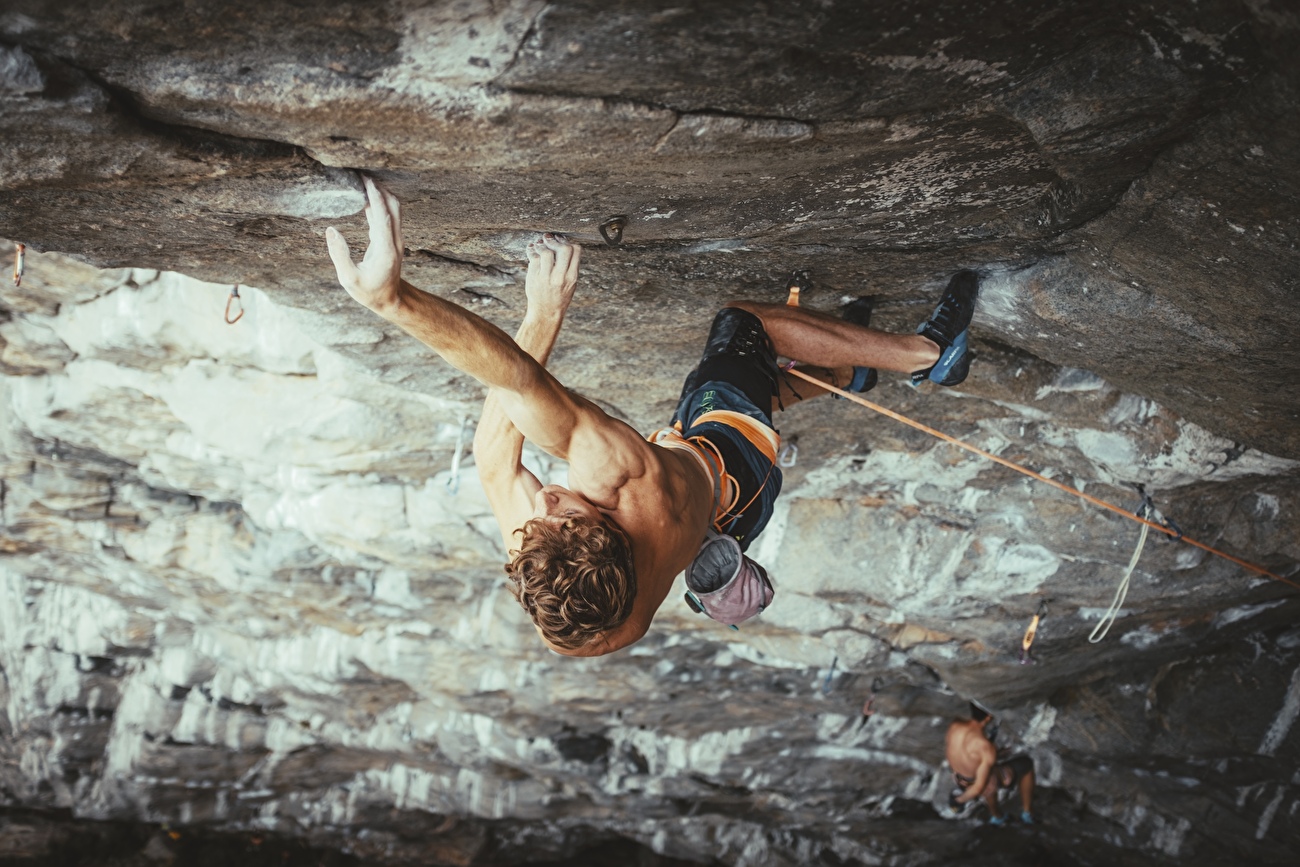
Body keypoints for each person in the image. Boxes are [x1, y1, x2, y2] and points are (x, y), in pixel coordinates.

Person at [326, 177, 979, 656]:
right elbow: (519, 381)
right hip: (733, 458)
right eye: (563, 513)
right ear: (605, 521)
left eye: (539, 519)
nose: (546, 498)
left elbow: (493, 462)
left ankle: (845, 374)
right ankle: (926, 355)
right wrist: (399, 301)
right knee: (744, 328)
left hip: (718, 522)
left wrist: (549, 528)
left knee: (756, 386)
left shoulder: (594, 621)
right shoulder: (619, 473)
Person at [945, 704, 1036, 825]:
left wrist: (993, 756)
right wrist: (958, 801)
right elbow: (978, 788)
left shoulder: (955, 724)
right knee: (1026, 764)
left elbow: (960, 752)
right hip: (975, 783)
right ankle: (1027, 813)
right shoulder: (985, 747)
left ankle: (997, 816)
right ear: (988, 717)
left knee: (986, 773)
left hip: (959, 777)